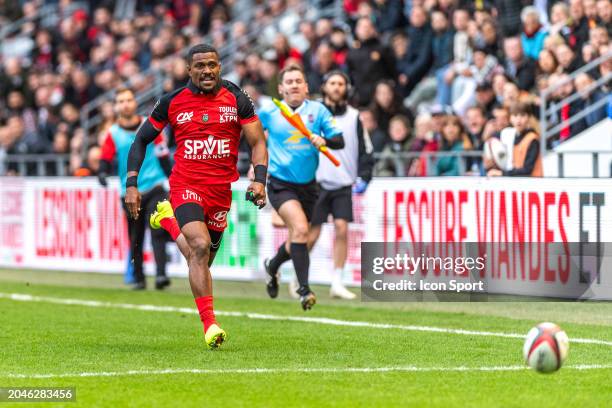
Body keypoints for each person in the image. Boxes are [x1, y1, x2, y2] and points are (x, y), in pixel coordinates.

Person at [125, 44, 268, 349]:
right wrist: (131, 183)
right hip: (185, 186)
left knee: (199, 258)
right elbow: (141, 139)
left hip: (220, 191)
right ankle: (210, 325)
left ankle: (167, 221)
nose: (207, 71)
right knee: (200, 246)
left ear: (220, 67)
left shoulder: (237, 99)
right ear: (189, 70)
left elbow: (257, 142)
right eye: (200, 66)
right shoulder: (172, 101)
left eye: (212, 65)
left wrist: (260, 180)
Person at [260, 64, 344, 310]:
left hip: (309, 186)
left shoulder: (318, 111)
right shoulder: (269, 113)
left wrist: (324, 139)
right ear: (281, 88)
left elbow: (340, 140)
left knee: (300, 236)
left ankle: (273, 265)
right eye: (290, 81)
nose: (294, 85)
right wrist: (256, 165)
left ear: (306, 87)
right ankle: (304, 290)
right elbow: (251, 139)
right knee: (299, 228)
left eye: (299, 81)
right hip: (279, 183)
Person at [98, 87, 173, 290]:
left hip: (155, 185)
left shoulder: (150, 126)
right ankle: (139, 278)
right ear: (116, 107)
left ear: (134, 103)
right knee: (136, 235)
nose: (126, 104)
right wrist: (102, 173)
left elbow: (163, 154)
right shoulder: (112, 134)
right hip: (130, 191)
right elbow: (105, 159)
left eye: (129, 100)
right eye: (121, 101)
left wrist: (173, 178)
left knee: (158, 228)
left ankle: (161, 275)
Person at [308, 71, 374, 300]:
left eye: (341, 84)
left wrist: (365, 176)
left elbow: (366, 150)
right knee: (311, 233)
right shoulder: (313, 113)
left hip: (343, 182)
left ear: (347, 88)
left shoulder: (355, 116)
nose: (337, 87)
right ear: (325, 87)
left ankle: (337, 280)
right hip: (316, 181)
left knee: (342, 229)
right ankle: (299, 274)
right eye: (333, 83)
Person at [487, 102, 542, 177]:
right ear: (510, 118)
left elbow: (527, 170)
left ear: (528, 117)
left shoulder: (532, 139)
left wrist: (502, 173)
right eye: (515, 115)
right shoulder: (512, 137)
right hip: (518, 183)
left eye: (522, 115)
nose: (518, 120)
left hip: (533, 184)